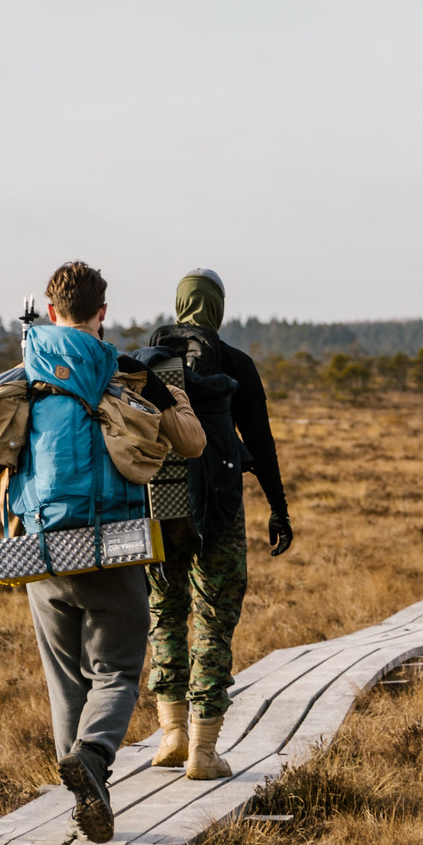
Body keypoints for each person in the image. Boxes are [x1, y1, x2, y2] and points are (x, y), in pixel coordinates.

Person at [0, 261, 204, 842]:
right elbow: (191, 445)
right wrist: (165, 389)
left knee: (67, 683)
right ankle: (94, 757)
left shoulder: (15, 383)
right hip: (114, 547)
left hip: (39, 553)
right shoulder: (125, 378)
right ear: (102, 315)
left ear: (49, 313)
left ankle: (83, 801)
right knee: (117, 672)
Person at [142, 268, 293, 780]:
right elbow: (262, 443)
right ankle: (203, 753)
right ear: (218, 308)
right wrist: (279, 508)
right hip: (219, 508)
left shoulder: (151, 360)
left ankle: (170, 735)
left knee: (165, 610)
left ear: (180, 304)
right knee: (213, 617)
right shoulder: (236, 364)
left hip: (158, 508)